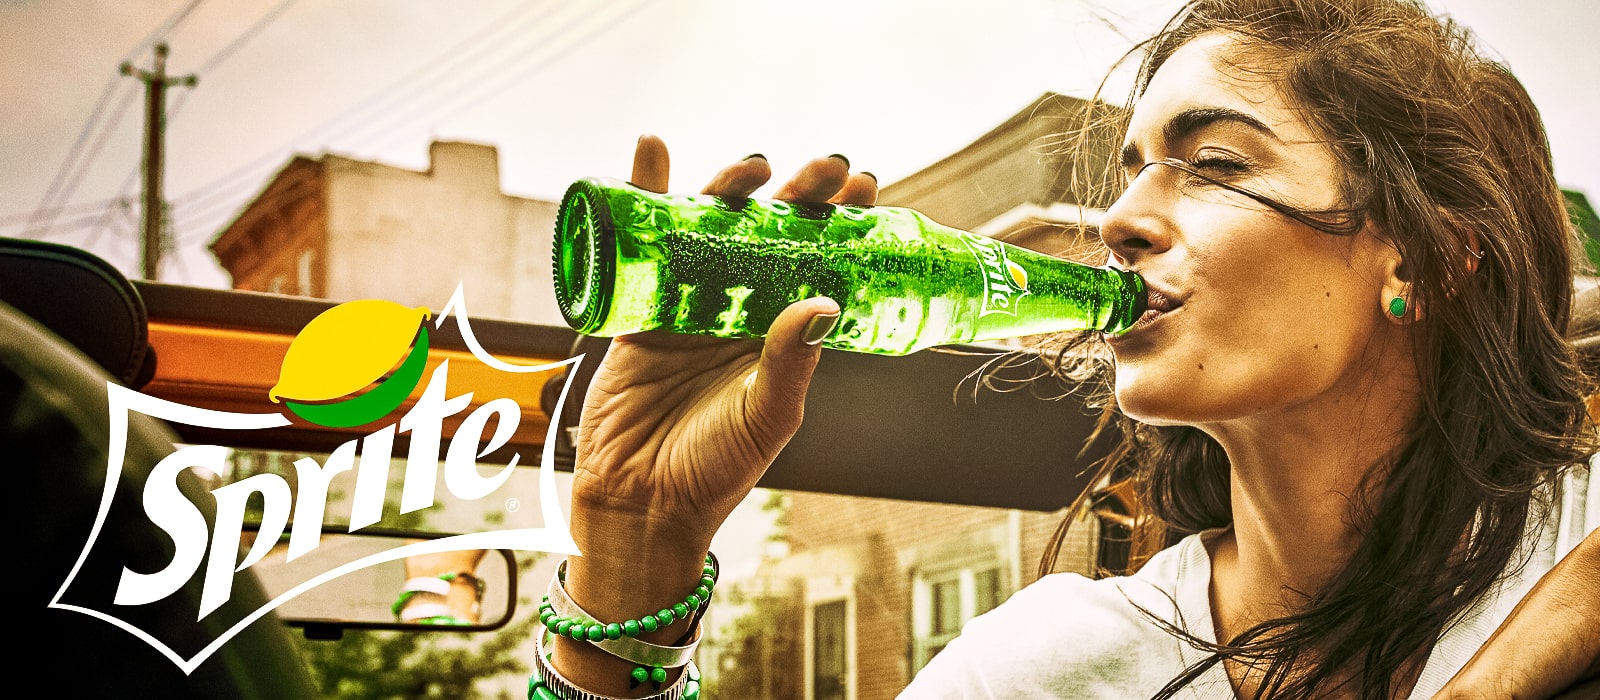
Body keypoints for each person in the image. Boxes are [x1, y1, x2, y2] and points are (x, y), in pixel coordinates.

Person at [535, 0, 1600, 698]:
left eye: (1215, 162)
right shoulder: (1047, 667)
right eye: (1129, 169)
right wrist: (632, 551)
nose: (1122, 219)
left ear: (1423, 256)